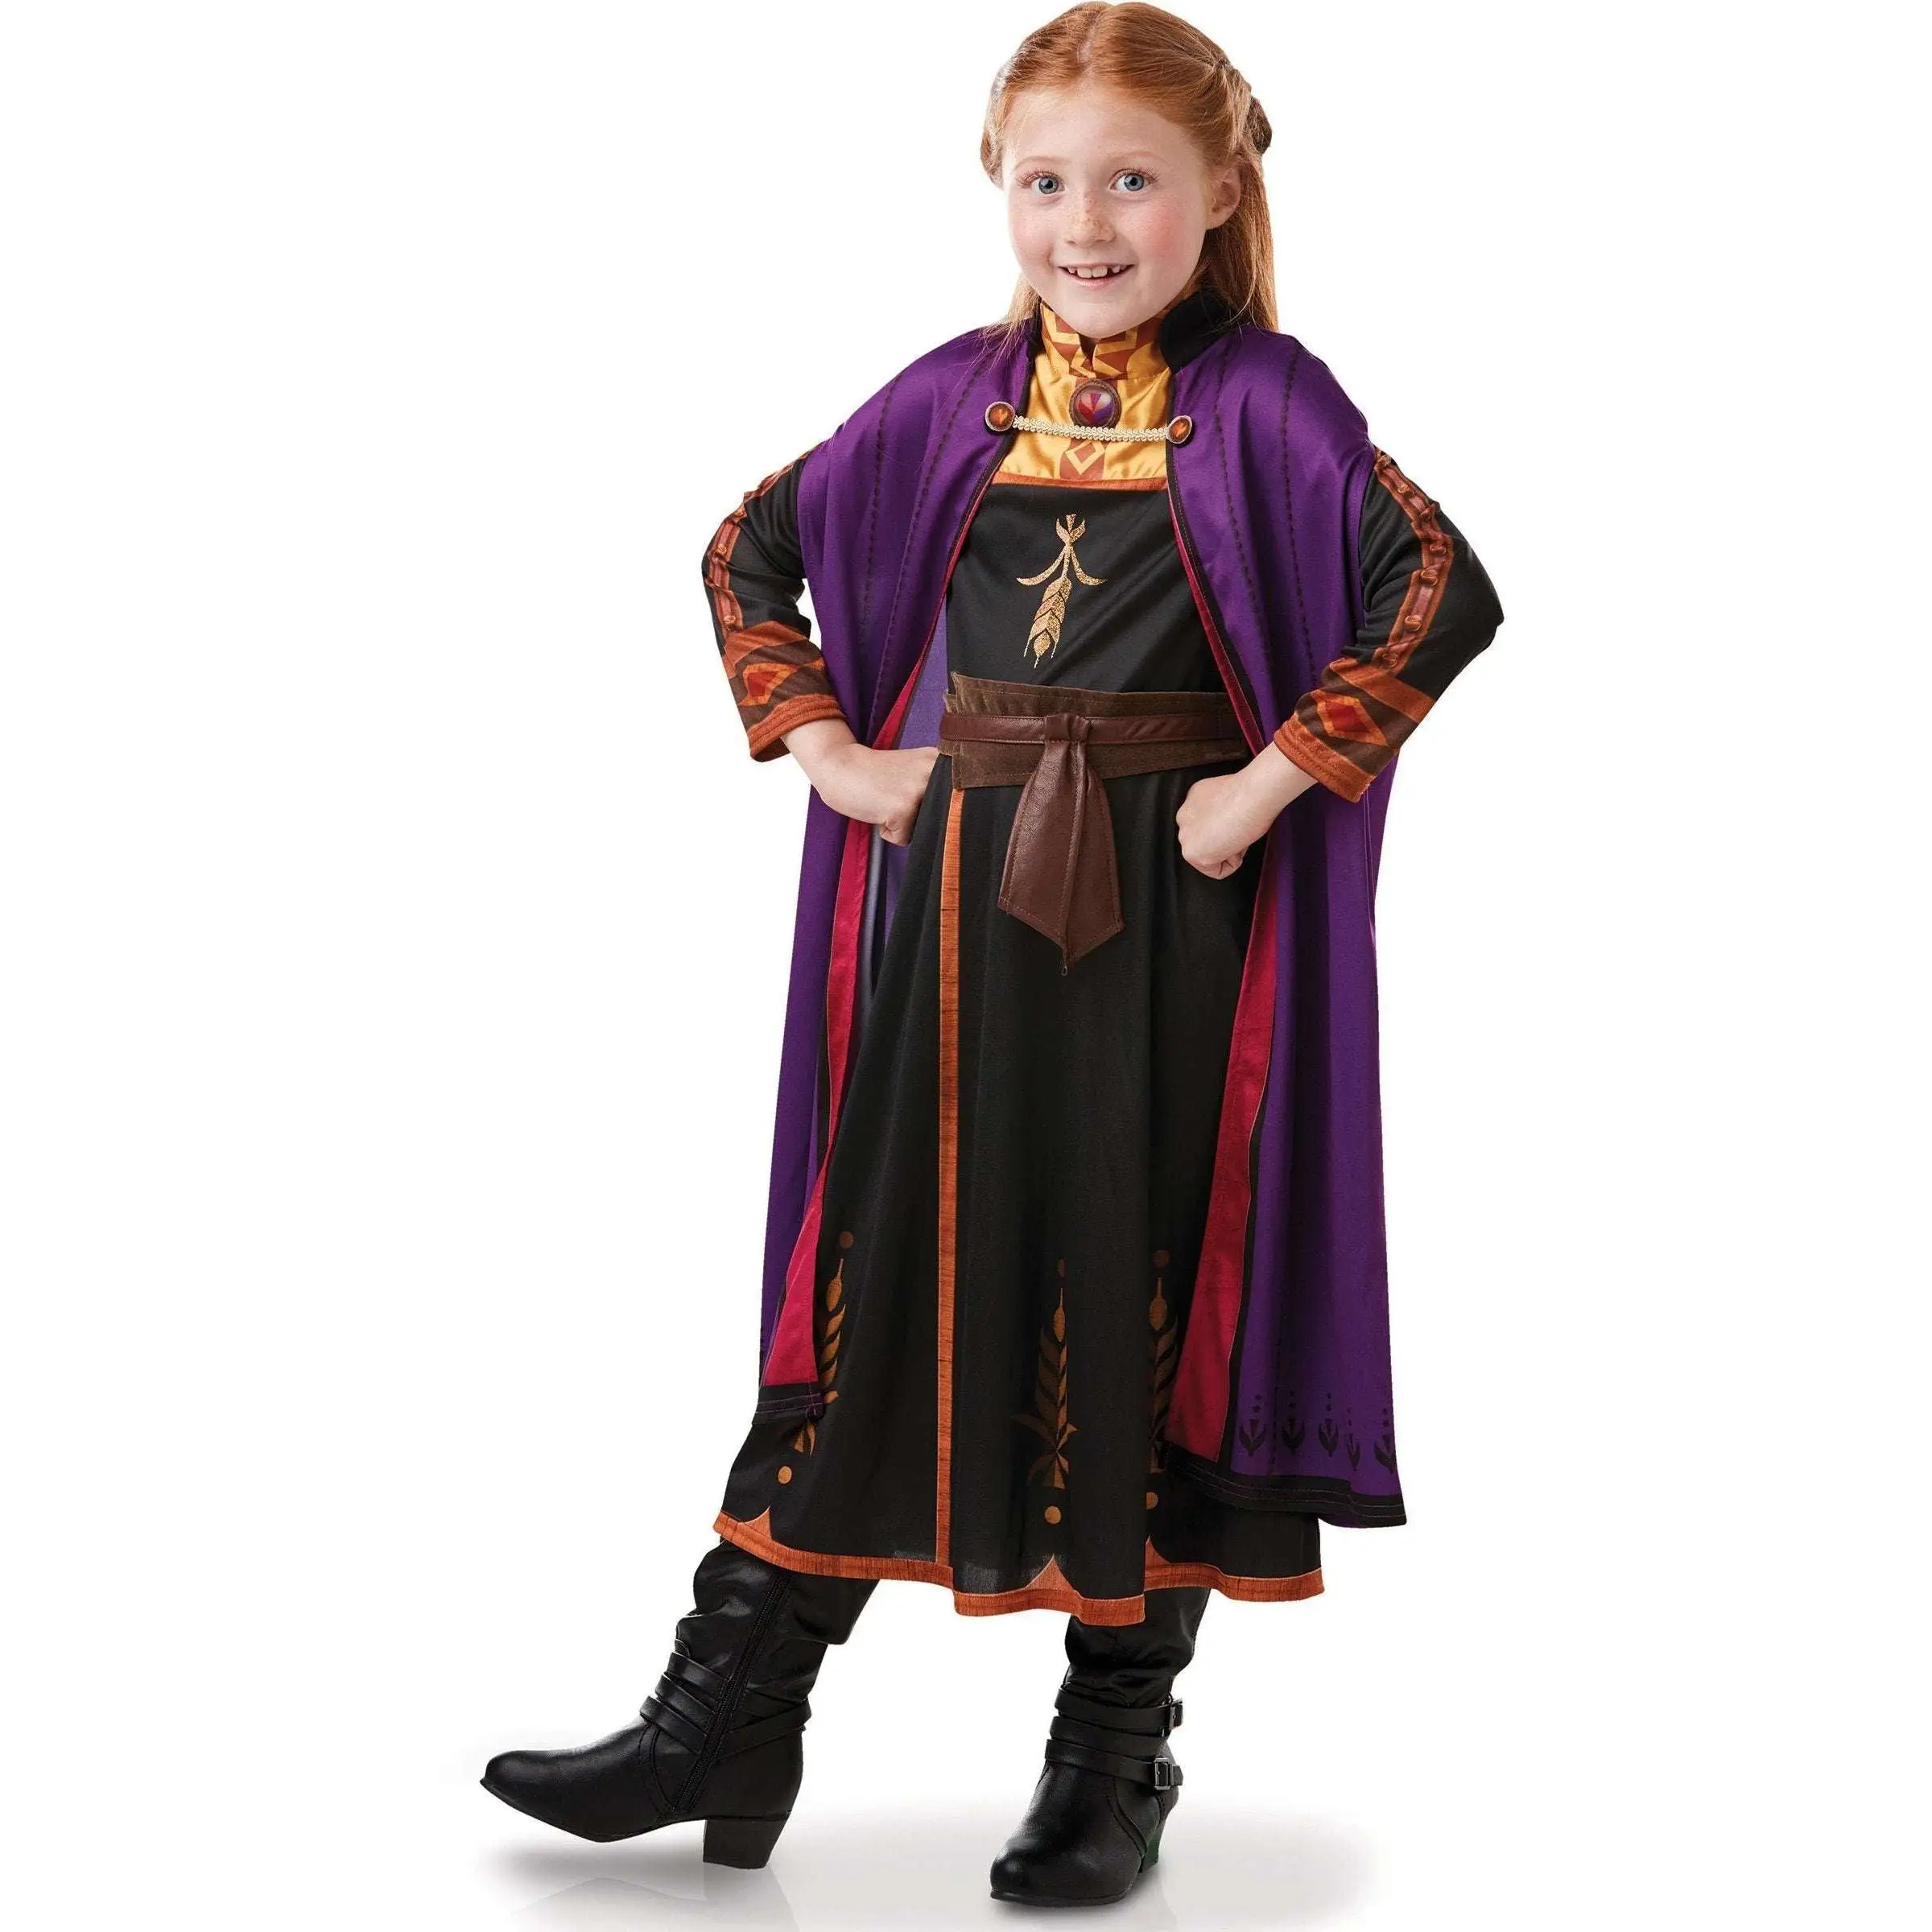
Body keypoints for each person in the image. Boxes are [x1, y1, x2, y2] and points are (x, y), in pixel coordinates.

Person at [482, 1, 1504, 1906]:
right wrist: (829, 752)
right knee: (865, 1276)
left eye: (1131, 181)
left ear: (1220, 192)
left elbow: (1442, 593)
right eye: (1046, 182)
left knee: (1140, 1277)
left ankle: (1112, 1755)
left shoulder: (1269, 408)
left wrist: (1260, 789)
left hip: (1176, 934)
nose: (1084, 225)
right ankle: (725, 1709)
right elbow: (749, 547)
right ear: (997, 187)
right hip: (948, 919)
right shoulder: (948, 399)